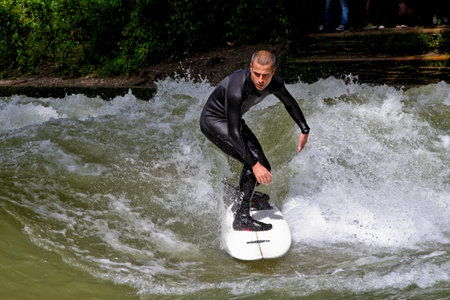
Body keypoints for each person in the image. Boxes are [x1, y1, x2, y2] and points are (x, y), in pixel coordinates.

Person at [200, 50, 310, 231]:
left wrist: (304, 129)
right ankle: (242, 218)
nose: (260, 80)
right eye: (256, 74)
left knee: (262, 164)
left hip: (233, 123)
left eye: (265, 75)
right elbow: (234, 133)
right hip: (214, 122)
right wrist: (254, 164)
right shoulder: (237, 87)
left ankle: (242, 194)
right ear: (250, 68)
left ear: (273, 71)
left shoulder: (274, 83)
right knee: (255, 164)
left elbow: (289, 102)